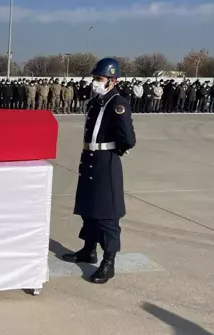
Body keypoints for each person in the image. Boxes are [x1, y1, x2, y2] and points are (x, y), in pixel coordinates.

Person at [62, 57, 136, 284]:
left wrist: (114, 150)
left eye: (99, 78)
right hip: (89, 157)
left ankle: (108, 261)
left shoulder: (117, 103)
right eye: (95, 78)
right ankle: (88, 249)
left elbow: (129, 138)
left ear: (112, 80)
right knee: (89, 208)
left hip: (106, 161)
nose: (95, 82)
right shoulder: (96, 102)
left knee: (107, 213)